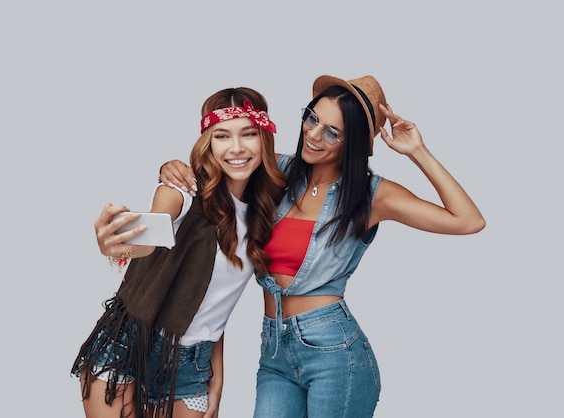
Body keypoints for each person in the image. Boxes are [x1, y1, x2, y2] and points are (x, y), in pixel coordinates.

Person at [158, 74, 486, 417]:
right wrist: (172, 166)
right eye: (312, 118)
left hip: (334, 351)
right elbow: (220, 162)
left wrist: (417, 151)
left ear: (354, 143)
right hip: (274, 351)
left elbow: (468, 220)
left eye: (332, 131)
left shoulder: (373, 196)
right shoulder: (276, 172)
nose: (313, 135)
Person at [71, 87, 285, 418]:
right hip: (131, 343)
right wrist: (115, 244)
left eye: (249, 134)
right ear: (208, 143)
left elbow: (214, 309)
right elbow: (152, 232)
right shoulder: (184, 190)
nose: (237, 148)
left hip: (192, 364)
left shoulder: (263, 215)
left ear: (264, 139)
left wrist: (218, 381)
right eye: (222, 136)